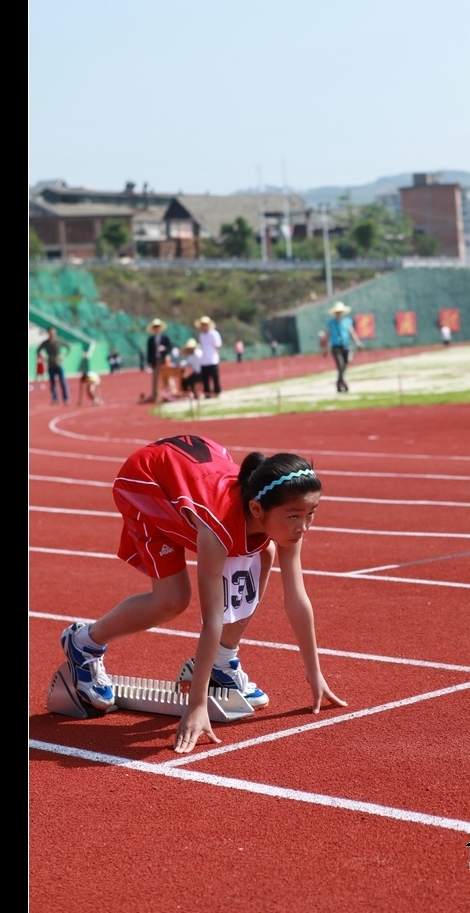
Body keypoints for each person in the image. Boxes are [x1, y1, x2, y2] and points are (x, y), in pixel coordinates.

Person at [59, 436, 346, 754]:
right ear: (256, 508)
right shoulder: (217, 531)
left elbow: (297, 597)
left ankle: (221, 663)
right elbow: (212, 619)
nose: (304, 526)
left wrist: (314, 673)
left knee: (264, 553)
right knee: (172, 599)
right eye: (295, 516)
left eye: (311, 514)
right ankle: (84, 643)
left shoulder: (286, 517)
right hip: (147, 482)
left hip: (192, 476)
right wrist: (195, 705)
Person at [324, 301, 363, 393]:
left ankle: (340, 382)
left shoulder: (347, 321)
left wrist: (358, 342)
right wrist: (325, 348)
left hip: (346, 346)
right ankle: (342, 383)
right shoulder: (330, 323)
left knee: (344, 366)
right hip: (336, 347)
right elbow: (327, 336)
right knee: (340, 365)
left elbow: (352, 333)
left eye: (340, 312)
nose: (338, 314)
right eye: (337, 312)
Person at [37, 327, 70, 404]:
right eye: (50, 332)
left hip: (59, 364)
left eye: (53, 332)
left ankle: (66, 398)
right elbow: (38, 350)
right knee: (52, 383)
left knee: (62, 382)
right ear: (48, 333)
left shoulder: (59, 341)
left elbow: (68, 347)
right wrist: (44, 356)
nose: (52, 334)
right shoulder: (45, 343)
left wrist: (64, 356)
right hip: (50, 365)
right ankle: (55, 399)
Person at [195, 316, 222, 397]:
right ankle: (207, 393)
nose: (203, 326)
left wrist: (212, 352)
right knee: (205, 378)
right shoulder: (201, 335)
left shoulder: (214, 334)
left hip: (212, 359)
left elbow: (218, 345)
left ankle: (217, 392)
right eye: (202, 325)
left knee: (214, 377)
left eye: (205, 324)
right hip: (204, 360)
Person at [146, 319, 172, 403]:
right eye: (155, 327)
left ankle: (169, 394)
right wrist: (149, 363)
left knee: (167, 378)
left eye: (158, 327)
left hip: (164, 360)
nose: (156, 328)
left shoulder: (165, 338)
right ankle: (155, 396)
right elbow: (149, 352)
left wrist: (163, 348)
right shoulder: (150, 340)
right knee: (155, 379)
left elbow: (170, 347)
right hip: (155, 361)